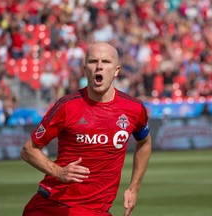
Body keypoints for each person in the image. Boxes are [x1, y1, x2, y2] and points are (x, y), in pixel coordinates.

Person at [21, 42, 152, 216]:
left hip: (97, 211)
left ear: (117, 70)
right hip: (53, 207)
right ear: (85, 69)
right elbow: (28, 149)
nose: (99, 67)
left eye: (105, 61)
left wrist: (134, 188)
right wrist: (58, 172)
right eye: (93, 61)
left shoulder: (134, 109)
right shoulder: (67, 106)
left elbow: (144, 142)